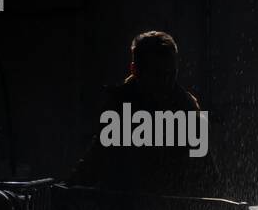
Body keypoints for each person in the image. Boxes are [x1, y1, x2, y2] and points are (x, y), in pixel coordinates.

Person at [68, 30, 219, 195]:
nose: (166, 82)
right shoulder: (119, 106)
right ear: (135, 70)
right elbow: (97, 161)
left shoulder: (187, 109)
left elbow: (207, 177)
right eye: (157, 75)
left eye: (171, 74)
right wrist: (66, 189)